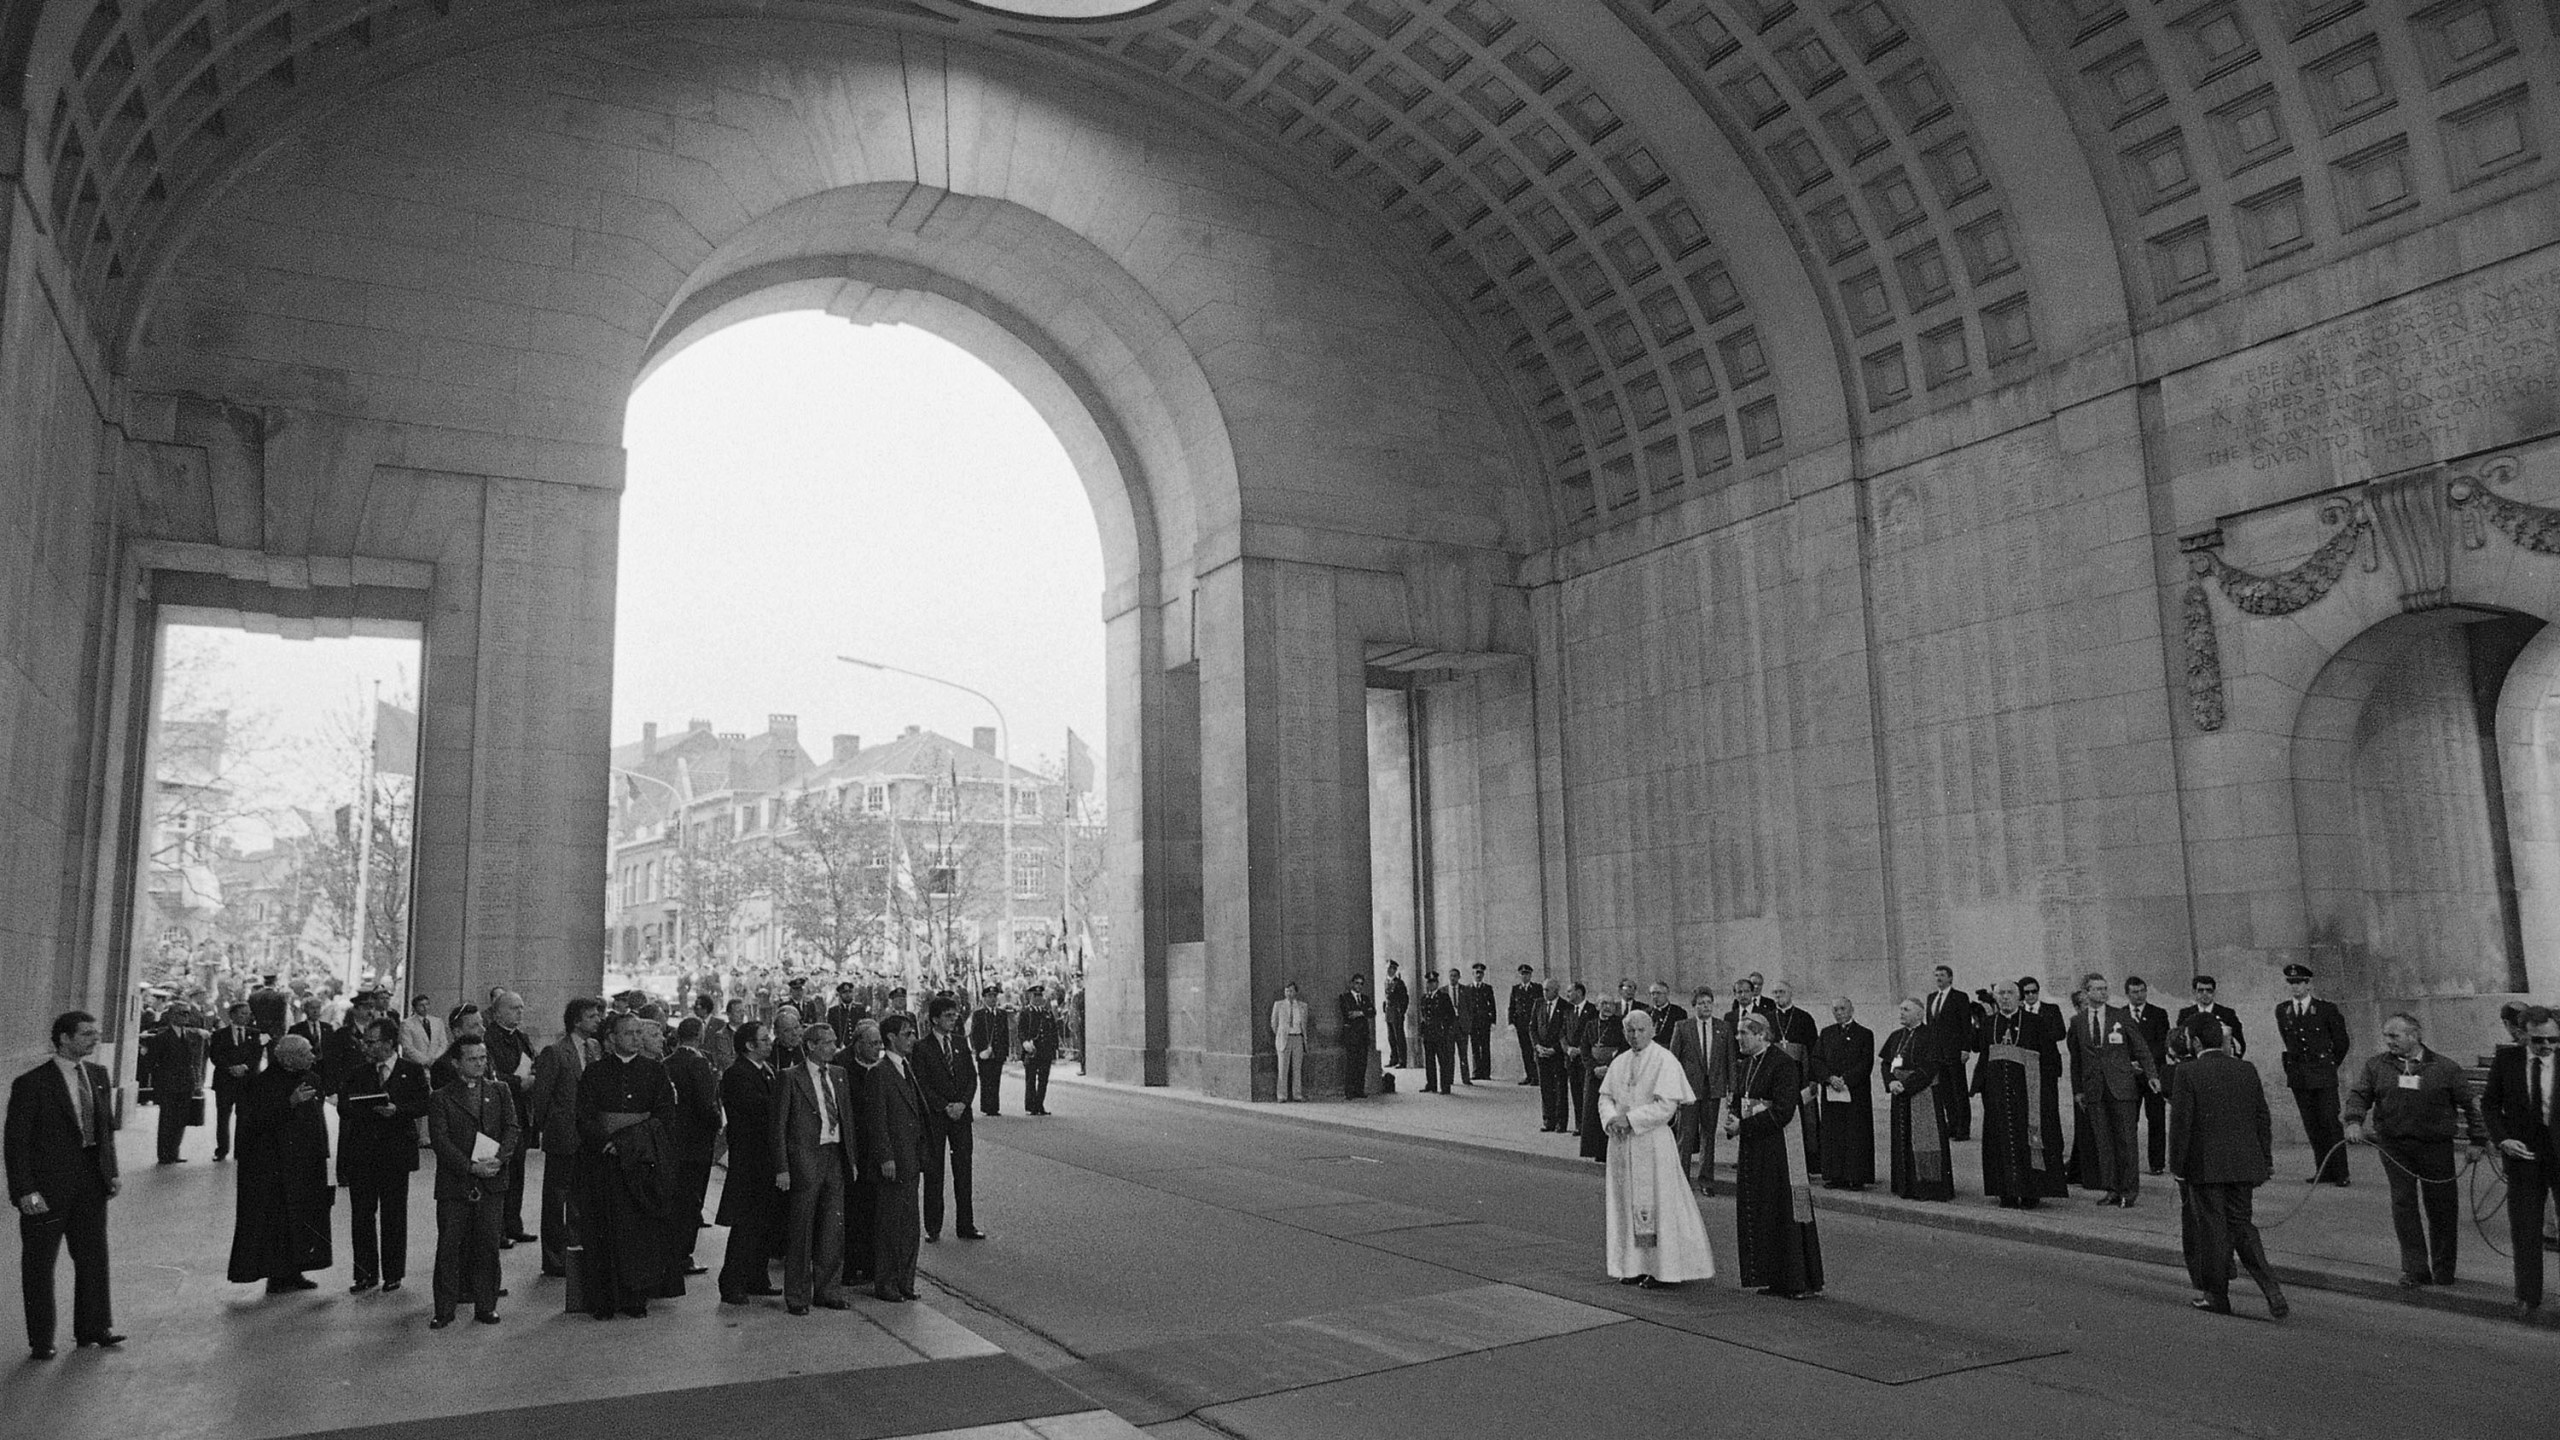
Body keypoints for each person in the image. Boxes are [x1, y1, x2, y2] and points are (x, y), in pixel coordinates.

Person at [7, 1012, 123, 1358]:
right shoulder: (32, 1083)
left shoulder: (99, 1076)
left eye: (97, 1033)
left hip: (91, 1183)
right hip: (47, 1188)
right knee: (40, 1265)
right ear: (63, 1038)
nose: (95, 1038)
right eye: (87, 1034)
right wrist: (24, 1190)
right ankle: (41, 1340)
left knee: (93, 1257)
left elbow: (105, 1131)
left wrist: (111, 1171)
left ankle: (94, 1328)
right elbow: (16, 1143)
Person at [2343, 1012, 2486, 1289]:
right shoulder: (2376, 1066)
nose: (2388, 1041)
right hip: (2394, 1146)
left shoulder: (2445, 1068)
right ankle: (2415, 1270)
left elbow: (2471, 1105)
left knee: (2442, 1208)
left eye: (2394, 1036)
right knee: (2403, 1205)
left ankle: (2444, 1271)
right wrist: (2353, 1121)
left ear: (2414, 1036)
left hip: (2435, 1147)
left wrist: (2478, 1140)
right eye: (2386, 1036)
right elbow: (2360, 1095)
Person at [2168, 1017, 2286, 1318]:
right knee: (2242, 1225)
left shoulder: (2187, 1072)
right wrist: (2265, 1159)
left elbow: (2181, 1124)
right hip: (2244, 1163)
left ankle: (2216, 1295)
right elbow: (2262, 1117)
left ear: (2195, 1042)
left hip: (2205, 1166)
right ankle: (2272, 1289)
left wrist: (2177, 1166)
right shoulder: (2246, 1069)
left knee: (2212, 1229)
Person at [1597, 1008, 1715, 1290]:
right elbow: (1605, 1097)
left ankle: (1661, 1269)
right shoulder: (1621, 1061)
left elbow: (1667, 1106)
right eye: (1629, 1030)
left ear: (1651, 1031)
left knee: (1657, 1205)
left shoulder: (1664, 1059)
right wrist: (1611, 1119)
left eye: (1640, 1030)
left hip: (1651, 1143)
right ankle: (1634, 1265)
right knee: (1626, 1204)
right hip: (1623, 1144)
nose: (1635, 1036)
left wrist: (1631, 1119)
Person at [576, 1010, 680, 1318]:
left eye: (638, 1033)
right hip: (603, 1162)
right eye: (628, 1033)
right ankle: (603, 1300)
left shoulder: (655, 1071)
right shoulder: (594, 1073)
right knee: (602, 1230)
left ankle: (636, 1298)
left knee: (638, 1234)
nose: (635, 1039)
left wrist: (626, 1144)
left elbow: (663, 1116)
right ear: (611, 1039)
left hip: (640, 1162)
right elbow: (584, 1115)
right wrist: (605, 1143)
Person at [1727, 1014, 1823, 1298]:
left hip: (1779, 1149)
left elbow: (1783, 1111)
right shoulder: (1747, 1064)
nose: (1739, 1038)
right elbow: (1739, 1099)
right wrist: (1734, 1119)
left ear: (1761, 1036)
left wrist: (1743, 1125)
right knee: (1763, 1210)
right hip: (1755, 1146)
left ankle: (1796, 1281)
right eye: (1739, 1033)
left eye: (1744, 1033)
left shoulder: (1782, 1064)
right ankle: (1772, 1276)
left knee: (1784, 1211)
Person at [228, 1034, 334, 1292]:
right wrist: (290, 1102)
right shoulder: (262, 1083)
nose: (313, 1057)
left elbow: (317, 1120)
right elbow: (255, 1123)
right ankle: (277, 1275)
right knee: (277, 1222)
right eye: (307, 1053)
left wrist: (323, 1154)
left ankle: (296, 1270)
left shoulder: (312, 1079)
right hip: (274, 1165)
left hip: (306, 1162)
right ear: (289, 1058)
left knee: (302, 1219)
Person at [426, 1034, 517, 1328]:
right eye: (472, 1059)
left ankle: (486, 1305)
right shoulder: (440, 1097)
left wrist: (500, 1160)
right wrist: (469, 1168)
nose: (479, 1064)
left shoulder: (500, 1090)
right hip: (456, 1183)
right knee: (450, 1246)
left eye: (482, 1058)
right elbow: (440, 1140)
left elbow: (512, 1129)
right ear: (456, 1063)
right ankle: (444, 1309)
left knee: (488, 1245)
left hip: (492, 1180)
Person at [336, 1018, 431, 1294]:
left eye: (372, 1042)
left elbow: (423, 1103)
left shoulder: (411, 1071)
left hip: (395, 1154)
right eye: (365, 1041)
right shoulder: (357, 1072)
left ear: (390, 1043)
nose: (366, 1047)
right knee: (362, 1215)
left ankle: (393, 1274)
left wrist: (397, 1110)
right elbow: (344, 1105)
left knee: (394, 1215)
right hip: (363, 1152)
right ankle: (365, 1274)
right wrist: (365, 1108)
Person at [2483, 1005, 2560, 1323]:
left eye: (2554, 1040)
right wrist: (2503, 1139)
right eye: (2539, 1040)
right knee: (2525, 1229)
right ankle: (2528, 1295)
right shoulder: (2507, 1060)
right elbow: (2489, 1104)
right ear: (2524, 1034)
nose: (2547, 1047)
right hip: (2524, 1157)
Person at [772, 1022, 854, 1314]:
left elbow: (847, 1119)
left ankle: (828, 1290)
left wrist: (851, 1160)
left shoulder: (839, 1076)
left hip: (834, 1156)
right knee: (802, 1229)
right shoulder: (790, 1078)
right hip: (805, 1158)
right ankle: (797, 1295)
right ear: (810, 1046)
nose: (834, 1048)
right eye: (827, 1043)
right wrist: (782, 1167)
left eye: (834, 1042)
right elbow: (778, 1126)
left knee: (833, 1228)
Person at [2070, 974, 2162, 1208]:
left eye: (2105, 988)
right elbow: (2076, 1059)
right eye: (2097, 989)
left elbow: (2140, 1048)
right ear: (2086, 992)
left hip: (2121, 1087)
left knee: (2126, 1141)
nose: (2103, 992)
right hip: (2095, 1089)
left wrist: (2151, 1074)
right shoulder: (2078, 1022)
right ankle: (2111, 1188)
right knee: (2104, 1142)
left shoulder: (2120, 1016)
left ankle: (2128, 1191)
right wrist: (2078, 1090)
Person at [528, 996, 602, 1276]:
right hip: (563, 1135)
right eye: (592, 1016)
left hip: (588, 1135)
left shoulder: (595, 1047)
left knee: (581, 1198)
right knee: (556, 1199)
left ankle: (576, 1250)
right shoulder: (556, 1052)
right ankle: (553, 1257)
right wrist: (547, 1128)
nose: (597, 1020)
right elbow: (542, 1096)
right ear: (576, 1020)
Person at [1973, 983, 2066, 1208]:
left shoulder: (2035, 1022)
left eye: (2010, 994)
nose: (2005, 998)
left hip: (2027, 1095)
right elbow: (1982, 1054)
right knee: (2000, 1142)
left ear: (2019, 998)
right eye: (2001, 994)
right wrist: (1979, 1086)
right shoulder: (1988, 1023)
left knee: (2028, 1140)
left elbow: (2050, 1058)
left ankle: (2030, 1193)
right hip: (1997, 1095)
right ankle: (2005, 1191)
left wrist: (2045, 1091)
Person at [862, 1014, 930, 1303]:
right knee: (891, 1223)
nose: (912, 1038)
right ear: (891, 1037)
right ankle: (887, 1282)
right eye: (907, 1034)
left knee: (910, 1223)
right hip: (895, 1160)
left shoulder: (905, 1067)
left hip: (910, 1157)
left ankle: (905, 1280)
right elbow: (877, 1119)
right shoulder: (880, 1071)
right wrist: (885, 1156)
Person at [715, 1021, 783, 1305]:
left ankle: (757, 1277)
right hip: (749, 1159)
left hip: (766, 1160)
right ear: (749, 1046)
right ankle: (732, 1282)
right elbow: (757, 1110)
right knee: (745, 1224)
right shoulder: (737, 1075)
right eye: (764, 1040)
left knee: (763, 1223)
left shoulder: (765, 1071)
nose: (770, 1043)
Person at [916, 997, 987, 1243]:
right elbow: (922, 1083)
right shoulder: (922, 1047)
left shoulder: (959, 1043)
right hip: (937, 1117)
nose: (953, 1019)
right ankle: (933, 1226)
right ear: (935, 1019)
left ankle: (965, 1224)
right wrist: (944, 1106)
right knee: (934, 1172)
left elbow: (971, 1077)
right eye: (948, 1015)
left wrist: (963, 1103)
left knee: (963, 1170)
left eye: (954, 1015)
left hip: (961, 1115)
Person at [2275, 965, 2351, 1185]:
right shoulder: (2283, 1010)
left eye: (2298, 982)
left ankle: (2341, 1173)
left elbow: (2341, 1042)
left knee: (2329, 1122)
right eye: (2291, 983)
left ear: (2308, 984)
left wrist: (2329, 1065)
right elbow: (2288, 1041)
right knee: (2312, 1124)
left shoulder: (2326, 1009)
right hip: (2299, 1074)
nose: (2294, 987)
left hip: (2323, 1074)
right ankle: (2323, 1170)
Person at [664, 1016, 721, 1277]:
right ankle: (684, 1255)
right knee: (692, 1200)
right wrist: (716, 1124)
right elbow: (706, 1102)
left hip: (675, 1139)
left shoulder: (668, 1062)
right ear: (699, 1035)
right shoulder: (699, 1063)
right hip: (697, 1141)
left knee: (678, 1198)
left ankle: (671, 1251)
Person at [481, 990, 539, 1247]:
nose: (520, 1012)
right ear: (499, 1011)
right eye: (515, 1008)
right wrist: (519, 1082)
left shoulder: (522, 1038)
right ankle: (498, 1229)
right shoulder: (489, 1038)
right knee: (501, 1173)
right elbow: (492, 1075)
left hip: (521, 1112)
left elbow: (532, 1063)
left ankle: (514, 1224)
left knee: (517, 1172)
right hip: (501, 1110)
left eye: (522, 1008)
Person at [1881, 998, 1953, 1201]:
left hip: (1923, 1093)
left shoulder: (1932, 1035)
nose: (1901, 1013)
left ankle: (1927, 1187)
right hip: (1899, 1093)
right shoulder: (1897, 1036)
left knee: (1924, 1139)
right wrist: (1891, 1082)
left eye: (1906, 1010)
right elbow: (1886, 1064)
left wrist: (1906, 1086)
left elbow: (1931, 1066)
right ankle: (1905, 1185)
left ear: (1920, 1014)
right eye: (1900, 1009)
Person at [1667, 987, 1730, 1193]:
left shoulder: (1723, 1027)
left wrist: (1731, 1090)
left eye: (1709, 1003)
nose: (1706, 1007)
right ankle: (1682, 1180)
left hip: (1713, 1089)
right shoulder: (1683, 1027)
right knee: (1685, 1136)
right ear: (1694, 1006)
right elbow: (1673, 1061)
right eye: (1701, 1003)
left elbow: (1729, 1060)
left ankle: (1706, 1181)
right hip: (1688, 1090)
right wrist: (1673, 1090)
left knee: (1709, 1135)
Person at [1811, 997, 1875, 1190]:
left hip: (1855, 1093)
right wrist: (1830, 1078)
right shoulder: (1827, 1033)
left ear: (1851, 1010)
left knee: (1855, 1134)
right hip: (1831, 1092)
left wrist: (1845, 1079)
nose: (1839, 1012)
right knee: (1833, 1134)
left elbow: (1865, 1063)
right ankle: (1835, 1175)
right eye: (1835, 1009)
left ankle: (1856, 1177)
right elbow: (1817, 1059)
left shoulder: (1864, 1034)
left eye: (1842, 1008)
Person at [142, 1001, 208, 1164]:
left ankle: (174, 1151)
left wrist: (196, 1082)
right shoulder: (161, 1037)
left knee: (181, 1118)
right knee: (167, 1119)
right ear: (171, 1016)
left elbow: (195, 1060)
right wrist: (159, 1081)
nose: (186, 1016)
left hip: (186, 1083)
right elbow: (150, 1062)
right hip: (168, 1084)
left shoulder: (191, 1035)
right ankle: (164, 1154)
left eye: (187, 1013)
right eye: (181, 1013)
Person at [2122, 976, 2173, 1176]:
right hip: (2130, 1076)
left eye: (2142, 990)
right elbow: (2118, 1045)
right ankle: (2129, 1162)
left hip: (2153, 1075)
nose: (2140, 995)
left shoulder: (2158, 1014)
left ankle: (2157, 1163)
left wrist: (2147, 1065)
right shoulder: (2120, 1014)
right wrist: (2129, 1063)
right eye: (2135, 992)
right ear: (2127, 994)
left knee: (2156, 1119)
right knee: (2129, 1120)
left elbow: (2163, 1043)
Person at [1923, 965, 1975, 1141]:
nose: (1938, 978)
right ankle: (1951, 1125)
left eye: (1942, 975)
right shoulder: (1931, 998)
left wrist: (1965, 1048)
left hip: (1954, 1051)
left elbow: (1965, 1024)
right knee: (1945, 1091)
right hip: (1938, 1052)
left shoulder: (1959, 997)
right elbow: (1930, 1025)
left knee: (1958, 1090)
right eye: (1936, 975)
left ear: (1950, 978)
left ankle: (1963, 1128)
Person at [206, 1002, 263, 1162]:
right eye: (242, 1013)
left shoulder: (255, 1033)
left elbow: (256, 1055)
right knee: (223, 1116)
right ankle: (222, 1149)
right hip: (225, 1080)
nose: (246, 1017)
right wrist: (230, 1067)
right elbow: (215, 1055)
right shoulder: (219, 1034)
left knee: (244, 1116)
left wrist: (245, 1067)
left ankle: (242, 1150)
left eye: (248, 1014)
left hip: (246, 1081)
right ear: (232, 1015)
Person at [1578, 997, 1627, 1163]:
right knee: (1593, 1111)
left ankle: (1612, 1150)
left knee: (1612, 1110)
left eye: (1611, 1004)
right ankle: (1597, 1151)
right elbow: (1584, 1048)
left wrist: (1609, 1067)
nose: (1607, 1007)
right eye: (1604, 1004)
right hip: (1594, 1075)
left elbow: (1624, 1049)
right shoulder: (1591, 1024)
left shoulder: (1621, 1024)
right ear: (1598, 1006)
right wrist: (1593, 1068)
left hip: (1613, 1074)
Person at [1533, 981, 1580, 1134]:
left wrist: (1555, 1049)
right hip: (1541, 1053)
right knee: (1545, 1088)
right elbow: (1532, 1027)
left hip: (1557, 1054)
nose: (1544, 992)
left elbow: (1565, 1031)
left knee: (1560, 1088)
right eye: (1543, 989)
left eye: (1547, 990)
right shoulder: (1538, 1003)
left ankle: (1561, 1122)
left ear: (1556, 990)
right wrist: (1537, 1046)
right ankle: (1548, 1121)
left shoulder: (1565, 1006)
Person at [2173, 975, 2247, 1060]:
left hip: (2221, 1062)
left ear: (2214, 992)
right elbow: (2180, 1042)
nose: (2205, 994)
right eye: (2201, 991)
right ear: (2194, 992)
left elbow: (2240, 1043)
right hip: (2193, 1065)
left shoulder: (2227, 1014)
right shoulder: (2185, 1014)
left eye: (2209, 991)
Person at [967, 986, 1010, 1116]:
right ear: (984, 998)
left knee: (996, 1079)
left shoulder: (1001, 1014)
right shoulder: (979, 1014)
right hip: (984, 1053)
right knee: (986, 1080)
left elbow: (1005, 1034)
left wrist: (1005, 1051)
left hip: (998, 1052)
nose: (992, 999)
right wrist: (979, 1050)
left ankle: (994, 1107)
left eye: (994, 996)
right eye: (990, 997)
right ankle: (986, 1106)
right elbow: (975, 1034)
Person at [1018, 986, 1060, 1115]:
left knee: (1043, 1079)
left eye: (1040, 996)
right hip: (1032, 1050)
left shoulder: (1046, 1013)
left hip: (1045, 1051)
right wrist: (1025, 1043)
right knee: (1030, 1079)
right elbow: (1021, 1030)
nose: (1038, 999)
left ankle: (1039, 1104)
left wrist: (1054, 1048)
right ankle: (1031, 1106)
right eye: (1035, 996)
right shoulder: (1026, 1012)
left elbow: (1053, 1032)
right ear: (1031, 997)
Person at [1418, 972, 1459, 1095]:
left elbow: (1451, 1015)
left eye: (1433, 982)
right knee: (1429, 1060)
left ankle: (1445, 1087)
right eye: (1429, 983)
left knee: (1443, 1060)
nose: (1431, 985)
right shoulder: (1425, 998)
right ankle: (1431, 1084)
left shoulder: (1443, 997)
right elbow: (1424, 1016)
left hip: (1440, 1034)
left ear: (1437, 983)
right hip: (1428, 1034)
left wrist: (1444, 1028)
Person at [1270, 982, 1311, 1101]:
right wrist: (1280, 1034)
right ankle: (1281, 1095)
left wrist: (1303, 1037)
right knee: (1282, 1068)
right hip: (1284, 1038)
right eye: (1287, 991)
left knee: (1297, 1068)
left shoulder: (1303, 1006)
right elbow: (1274, 1022)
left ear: (1296, 992)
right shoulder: (1278, 1005)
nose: (1289, 993)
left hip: (1298, 1037)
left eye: (1291, 991)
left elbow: (1305, 1023)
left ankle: (1297, 1094)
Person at [1338, 975, 1376, 1098]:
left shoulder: (1365, 998)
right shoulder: (1345, 997)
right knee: (1351, 1064)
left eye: (1361, 984)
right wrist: (1363, 1012)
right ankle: (1349, 1091)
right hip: (1352, 1036)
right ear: (1352, 983)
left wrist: (1360, 1012)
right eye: (1356, 983)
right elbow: (1348, 1013)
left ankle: (1360, 1090)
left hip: (1363, 1036)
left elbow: (1372, 1012)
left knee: (1362, 1064)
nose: (1359, 986)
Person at [1461, 964, 1498, 1081]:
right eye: (1476, 973)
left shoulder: (1487, 988)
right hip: (1473, 1023)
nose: (1478, 975)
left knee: (1485, 1047)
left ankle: (1486, 1073)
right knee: (1475, 1047)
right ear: (1473, 974)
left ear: (1483, 975)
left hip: (1484, 1022)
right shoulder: (1467, 989)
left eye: (1480, 973)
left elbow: (1492, 1005)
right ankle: (1476, 1072)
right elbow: (1465, 1007)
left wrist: (1493, 1021)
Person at [1507, 965, 1543, 1086]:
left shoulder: (1537, 988)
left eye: (1527, 974)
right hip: (1521, 1025)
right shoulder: (1516, 989)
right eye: (1522, 974)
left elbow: (1541, 1006)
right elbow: (1512, 1007)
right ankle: (1529, 1075)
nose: (1524, 976)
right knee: (1525, 1051)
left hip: (1534, 1025)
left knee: (1535, 1050)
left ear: (1530, 975)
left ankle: (1537, 1076)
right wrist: (1511, 1022)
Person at [399, 994, 451, 1069]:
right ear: (414, 1007)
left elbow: (443, 1043)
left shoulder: (437, 1021)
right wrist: (426, 1061)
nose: (425, 1008)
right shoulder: (407, 1024)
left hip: (436, 1063)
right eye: (421, 1005)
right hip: (415, 1065)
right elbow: (407, 1047)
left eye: (427, 1004)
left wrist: (435, 1059)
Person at [1383, 960, 1410, 1069]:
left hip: (1396, 1013)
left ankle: (1402, 1061)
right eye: (1388, 969)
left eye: (1392, 969)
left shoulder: (1399, 983)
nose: (1389, 971)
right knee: (1391, 1037)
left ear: (1395, 970)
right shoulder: (1386, 982)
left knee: (1399, 1037)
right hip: (1389, 1012)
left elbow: (1405, 999)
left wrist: (1401, 1011)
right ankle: (1393, 1059)